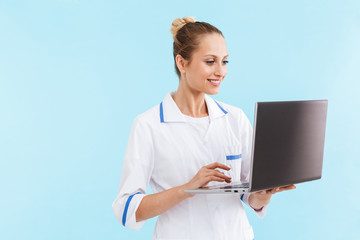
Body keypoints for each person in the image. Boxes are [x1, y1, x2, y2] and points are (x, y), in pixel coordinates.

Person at [112, 17, 295, 240]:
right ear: (182, 63)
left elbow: (249, 196)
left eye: (225, 61)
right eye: (210, 62)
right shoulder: (148, 125)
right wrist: (187, 188)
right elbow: (126, 209)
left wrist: (263, 195)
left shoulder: (235, 118)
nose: (221, 71)